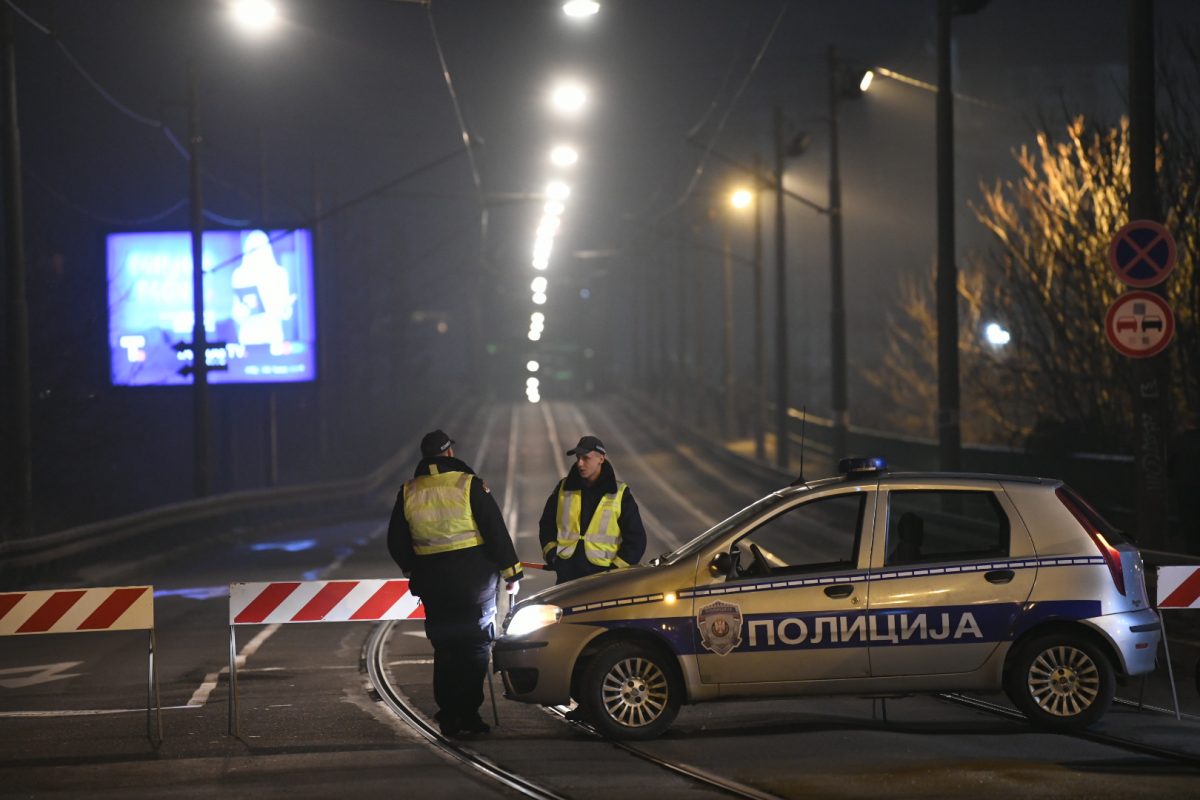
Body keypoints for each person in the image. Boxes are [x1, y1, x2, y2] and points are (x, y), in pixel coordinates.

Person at [387, 429, 523, 737]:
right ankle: (469, 714)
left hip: (434, 585)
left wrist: (414, 568)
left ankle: (448, 715)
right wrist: (512, 572)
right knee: (475, 647)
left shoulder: (408, 491)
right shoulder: (469, 485)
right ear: (450, 453)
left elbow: (395, 541)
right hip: (474, 584)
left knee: (446, 648)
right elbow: (495, 531)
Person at [538, 435, 647, 584]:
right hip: (567, 577)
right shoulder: (564, 488)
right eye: (578, 458)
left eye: (586, 458)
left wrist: (616, 571)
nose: (580, 464)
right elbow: (546, 525)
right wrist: (553, 556)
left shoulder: (619, 493)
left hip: (603, 580)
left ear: (601, 459)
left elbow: (637, 539)